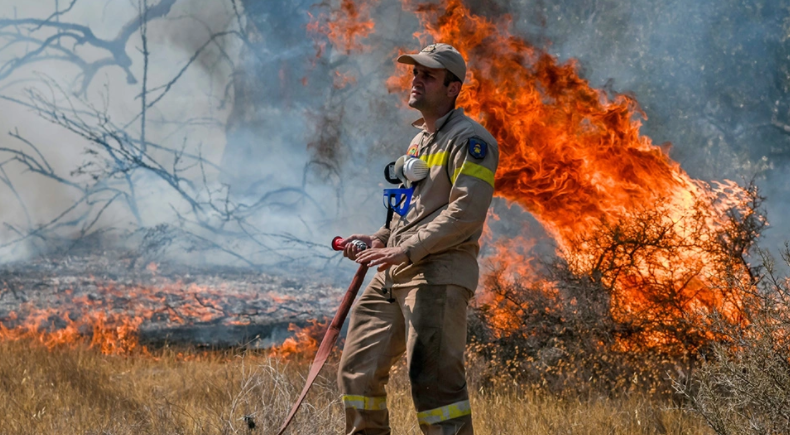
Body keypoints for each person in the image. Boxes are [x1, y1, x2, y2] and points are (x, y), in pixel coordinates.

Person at [338, 42, 499, 435]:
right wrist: (379, 239)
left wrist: (405, 250)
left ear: (452, 88)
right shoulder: (419, 142)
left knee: (434, 386)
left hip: (436, 276)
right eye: (415, 73)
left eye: (428, 75)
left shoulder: (471, 142)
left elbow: (465, 214)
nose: (416, 80)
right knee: (357, 372)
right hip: (393, 273)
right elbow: (410, 211)